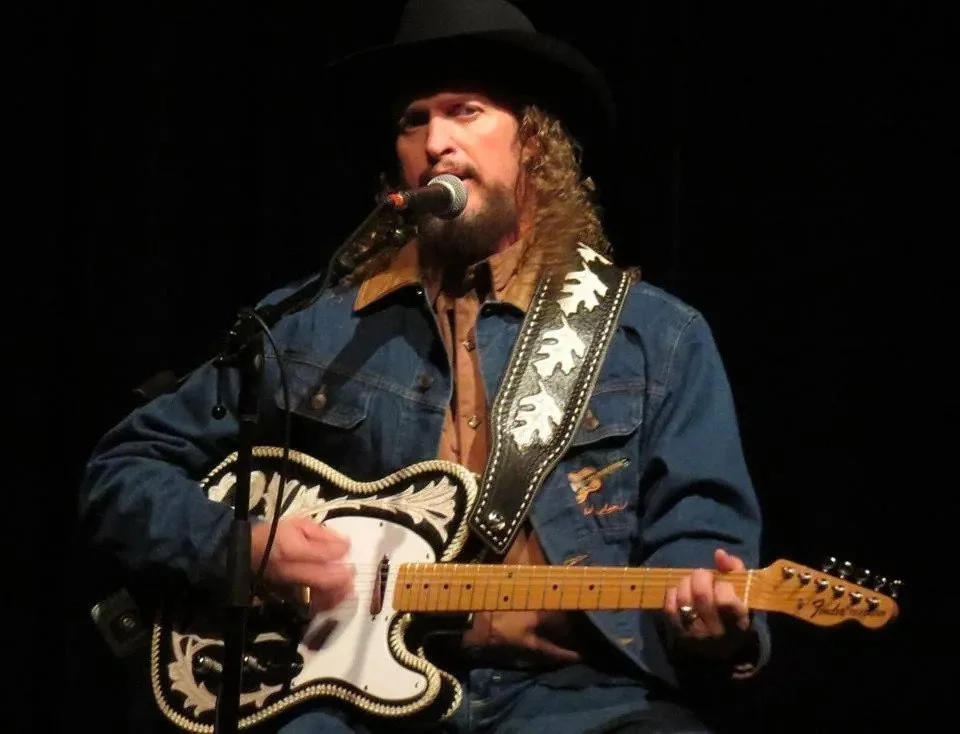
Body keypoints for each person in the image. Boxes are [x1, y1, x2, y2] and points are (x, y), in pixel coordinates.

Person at [77, 1, 770, 732]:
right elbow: (124, 468)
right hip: (344, 701)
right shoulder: (312, 325)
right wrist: (242, 548)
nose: (436, 141)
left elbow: (701, 537)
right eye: (415, 121)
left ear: (535, 142)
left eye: (465, 111)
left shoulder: (654, 337)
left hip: (579, 701)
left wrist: (714, 623)